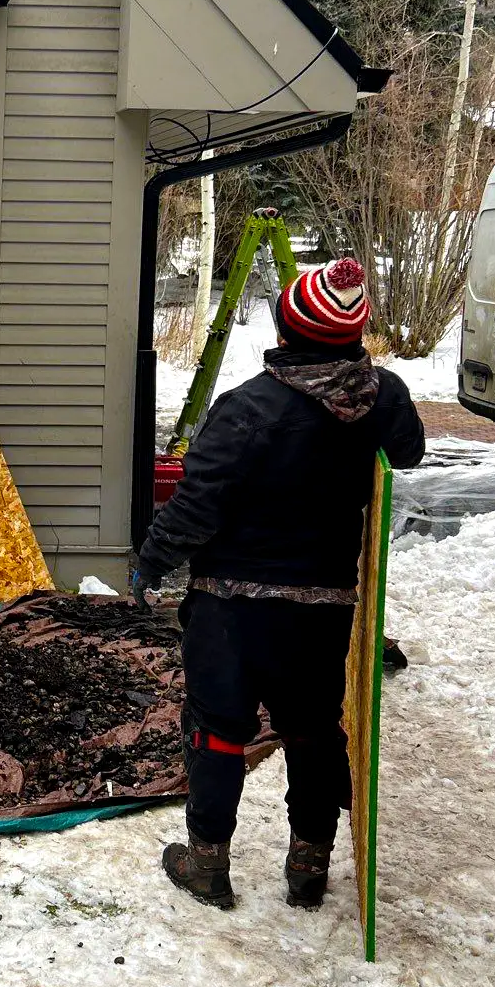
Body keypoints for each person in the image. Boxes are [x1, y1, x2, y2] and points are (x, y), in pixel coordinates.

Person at [133, 257, 425, 911]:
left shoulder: (246, 411)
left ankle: (208, 864)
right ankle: (309, 866)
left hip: (231, 606)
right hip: (324, 607)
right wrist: (379, 389)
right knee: (312, 728)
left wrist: (151, 560)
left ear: (288, 329)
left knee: (216, 729)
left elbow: (196, 508)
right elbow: (407, 451)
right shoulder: (383, 399)